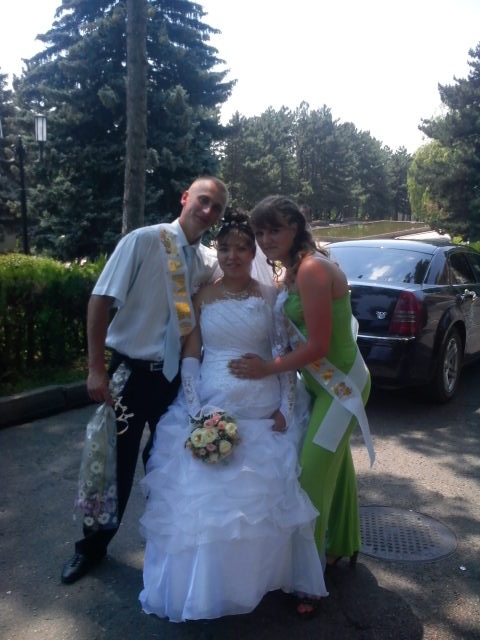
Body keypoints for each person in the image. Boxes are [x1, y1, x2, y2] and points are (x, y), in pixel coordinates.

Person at [139, 211, 328, 622]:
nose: (233, 256)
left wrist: (286, 407)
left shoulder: (271, 296)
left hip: (262, 411)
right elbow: (192, 357)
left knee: (264, 502)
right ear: (217, 252)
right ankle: (208, 588)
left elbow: (282, 356)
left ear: (253, 253)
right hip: (211, 406)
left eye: (242, 248)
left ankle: (262, 578)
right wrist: (196, 411)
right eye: (225, 248)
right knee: (205, 503)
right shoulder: (202, 297)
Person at [61, 176, 229, 585]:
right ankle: (92, 547)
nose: (208, 211)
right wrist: (96, 368)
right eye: (203, 200)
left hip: (174, 380)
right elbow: (100, 300)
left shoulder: (208, 261)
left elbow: (237, 281)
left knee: (168, 462)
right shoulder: (144, 240)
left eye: (217, 208)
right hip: (131, 375)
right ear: (185, 198)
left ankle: (164, 543)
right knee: (113, 466)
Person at [229, 195, 374, 617]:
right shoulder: (292, 269)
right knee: (336, 469)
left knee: (310, 476)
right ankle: (342, 544)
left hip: (340, 390)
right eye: (259, 232)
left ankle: (309, 581)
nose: (265, 239)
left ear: (295, 227)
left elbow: (318, 346)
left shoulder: (311, 270)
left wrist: (266, 369)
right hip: (320, 389)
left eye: (273, 230)